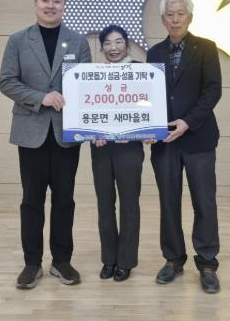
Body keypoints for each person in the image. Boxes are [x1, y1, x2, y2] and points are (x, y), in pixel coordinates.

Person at [0, 0, 91, 289]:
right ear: (36, 3)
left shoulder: (78, 42)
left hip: (67, 133)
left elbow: (86, 85)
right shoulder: (18, 41)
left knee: (64, 199)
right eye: (45, 0)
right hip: (31, 131)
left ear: (64, 5)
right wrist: (41, 97)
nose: (51, 5)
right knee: (32, 200)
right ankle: (32, 263)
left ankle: (62, 261)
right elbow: (7, 82)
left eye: (57, 1)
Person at [145, 0, 222, 294]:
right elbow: (148, 97)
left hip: (198, 138)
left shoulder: (206, 48)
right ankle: (173, 259)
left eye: (180, 14)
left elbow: (212, 91)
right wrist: (146, 127)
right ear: (163, 20)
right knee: (168, 201)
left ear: (190, 17)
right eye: (170, 15)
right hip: (164, 140)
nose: (175, 19)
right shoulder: (154, 53)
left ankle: (207, 263)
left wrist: (187, 122)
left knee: (204, 201)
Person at [91, 25, 144, 282]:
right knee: (104, 204)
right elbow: (87, 109)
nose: (114, 48)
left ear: (128, 45)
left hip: (129, 149)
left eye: (119, 42)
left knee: (129, 205)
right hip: (101, 148)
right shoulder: (93, 75)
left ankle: (126, 261)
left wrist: (141, 131)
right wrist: (93, 132)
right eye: (108, 43)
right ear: (101, 48)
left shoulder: (142, 71)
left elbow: (149, 107)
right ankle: (109, 259)